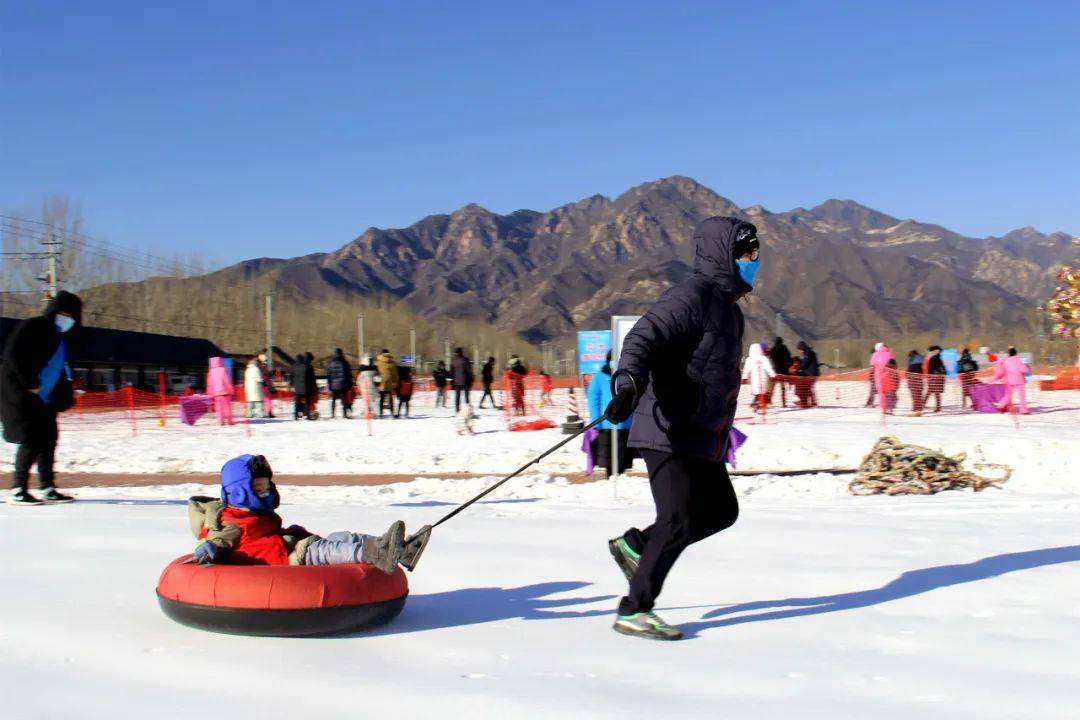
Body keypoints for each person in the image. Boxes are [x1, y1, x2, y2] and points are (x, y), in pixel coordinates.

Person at [603, 216, 758, 640]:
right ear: (724, 255)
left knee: (721, 511)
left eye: (755, 253)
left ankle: (637, 546)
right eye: (746, 253)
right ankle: (634, 609)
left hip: (700, 433)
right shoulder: (692, 296)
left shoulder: (731, 313)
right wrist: (629, 382)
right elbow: (642, 337)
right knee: (677, 519)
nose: (753, 260)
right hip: (666, 426)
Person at [187, 455, 410, 572]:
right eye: (257, 489)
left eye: (266, 488)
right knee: (321, 550)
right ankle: (373, 553)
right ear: (238, 493)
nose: (264, 494)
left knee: (341, 537)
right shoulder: (229, 522)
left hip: (286, 548)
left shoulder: (252, 514)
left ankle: (396, 548)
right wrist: (207, 549)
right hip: (284, 561)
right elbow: (213, 540)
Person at [2, 291, 82, 505]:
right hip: (25, 395)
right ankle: (18, 489)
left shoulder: (62, 339)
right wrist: (31, 384)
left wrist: (67, 394)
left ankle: (47, 487)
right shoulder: (33, 327)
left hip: (47, 400)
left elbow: (64, 369)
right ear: (53, 310)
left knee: (48, 441)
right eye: (63, 313)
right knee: (31, 440)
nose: (67, 319)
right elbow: (13, 357)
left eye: (71, 316)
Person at [586, 351, 635, 475]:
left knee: (622, 463)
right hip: (607, 426)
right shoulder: (600, 377)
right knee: (609, 463)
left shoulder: (629, 375)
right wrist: (596, 421)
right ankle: (609, 480)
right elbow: (593, 399)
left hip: (626, 425)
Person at [993, 347, 1031, 414]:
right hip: (1019, 380)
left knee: (1008, 395)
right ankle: (1024, 411)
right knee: (1021, 396)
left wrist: (996, 377)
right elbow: (1024, 370)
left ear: (1009, 354)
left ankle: (1001, 406)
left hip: (1009, 381)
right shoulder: (1018, 360)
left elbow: (1002, 371)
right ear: (1016, 353)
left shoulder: (1005, 361)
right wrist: (1027, 366)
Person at [741, 342, 775, 414]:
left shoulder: (749, 359)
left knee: (757, 393)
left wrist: (744, 377)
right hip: (763, 378)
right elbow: (769, 367)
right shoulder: (764, 358)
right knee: (761, 393)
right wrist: (772, 374)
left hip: (754, 379)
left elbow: (746, 370)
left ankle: (757, 405)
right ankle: (758, 406)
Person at [206, 357, 234, 425]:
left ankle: (220, 421)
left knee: (219, 408)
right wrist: (231, 390)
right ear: (220, 362)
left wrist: (210, 393)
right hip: (225, 392)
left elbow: (210, 384)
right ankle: (229, 421)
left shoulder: (211, 371)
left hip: (216, 393)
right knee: (227, 407)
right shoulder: (223, 370)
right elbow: (227, 381)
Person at [326, 348, 353, 419]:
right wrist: (349, 384)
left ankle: (332, 414)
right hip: (342, 384)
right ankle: (344, 414)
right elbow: (348, 374)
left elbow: (329, 374)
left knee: (334, 400)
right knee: (344, 400)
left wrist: (329, 383)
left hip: (333, 385)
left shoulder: (331, 362)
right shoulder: (344, 362)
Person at [767, 337, 792, 407]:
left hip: (775, 371)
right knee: (783, 388)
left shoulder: (773, 349)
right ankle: (784, 403)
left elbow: (770, 356)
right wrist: (789, 364)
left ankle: (769, 401)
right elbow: (789, 358)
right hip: (784, 371)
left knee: (772, 387)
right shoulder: (785, 348)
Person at [794, 341, 820, 408]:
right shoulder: (809, 352)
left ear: (802, 348)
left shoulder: (808, 352)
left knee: (807, 387)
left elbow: (805, 363)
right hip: (812, 373)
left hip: (812, 374)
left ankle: (809, 402)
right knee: (808, 387)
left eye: (799, 349)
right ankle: (811, 401)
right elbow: (805, 362)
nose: (799, 351)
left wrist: (797, 369)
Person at [869, 342, 894, 409]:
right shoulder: (890, 354)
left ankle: (883, 409)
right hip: (889, 376)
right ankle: (890, 408)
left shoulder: (874, 354)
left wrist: (871, 376)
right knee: (890, 393)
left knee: (881, 393)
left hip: (879, 376)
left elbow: (872, 366)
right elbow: (894, 364)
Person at [375, 349, 398, 418]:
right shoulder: (393, 362)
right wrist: (395, 382)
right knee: (390, 398)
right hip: (390, 382)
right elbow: (395, 374)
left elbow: (376, 371)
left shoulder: (378, 362)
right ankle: (392, 412)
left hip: (382, 382)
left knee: (382, 398)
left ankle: (381, 413)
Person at [923, 345, 946, 413]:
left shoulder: (934, 358)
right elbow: (942, 368)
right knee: (932, 391)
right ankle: (925, 404)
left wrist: (930, 376)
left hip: (934, 377)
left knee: (934, 392)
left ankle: (937, 407)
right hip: (936, 377)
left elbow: (932, 368)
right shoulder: (937, 358)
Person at [450, 347, 474, 412]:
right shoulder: (465, 360)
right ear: (461, 352)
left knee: (457, 396)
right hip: (465, 380)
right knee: (466, 396)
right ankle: (467, 409)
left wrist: (452, 380)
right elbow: (469, 370)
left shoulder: (453, 361)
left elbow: (451, 372)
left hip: (456, 381)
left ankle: (457, 409)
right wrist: (471, 378)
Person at [356, 354, 378, 419]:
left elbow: (358, 379)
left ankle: (367, 413)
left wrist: (359, 385)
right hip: (373, 387)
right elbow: (377, 378)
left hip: (364, 387)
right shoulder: (375, 368)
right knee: (373, 401)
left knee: (366, 401)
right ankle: (373, 413)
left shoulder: (361, 368)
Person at [906, 349, 925, 416]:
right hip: (920, 380)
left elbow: (908, 372)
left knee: (914, 395)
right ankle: (919, 408)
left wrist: (908, 376)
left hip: (913, 380)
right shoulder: (921, 361)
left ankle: (915, 408)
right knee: (919, 394)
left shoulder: (911, 361)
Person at [291, 353, 310, 420]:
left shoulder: (293, 366)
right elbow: (308, 377)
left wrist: (292, 384)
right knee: (307, 401)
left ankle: (296, 415)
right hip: (305, 386)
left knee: (297, 402)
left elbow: (292, 376)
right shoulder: (305, 366)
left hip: (297, 387)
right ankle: (307, 415)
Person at [257, 353, 275, 418]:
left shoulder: (261, 367)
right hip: (266, 384)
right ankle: (268, 412)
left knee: (266, 399)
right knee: (267, 399)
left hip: (265, 384)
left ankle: (268, 412)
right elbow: (266, 376)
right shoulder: (263, 367)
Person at [304, 352, 319, 419]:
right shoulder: (310, 367)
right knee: (309, 401)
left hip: (302, 386)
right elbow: (313, 378)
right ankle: (309, 415)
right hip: (309, 387)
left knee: (306, 401)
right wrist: (316, 387)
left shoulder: (302, 365)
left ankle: (306, 413)